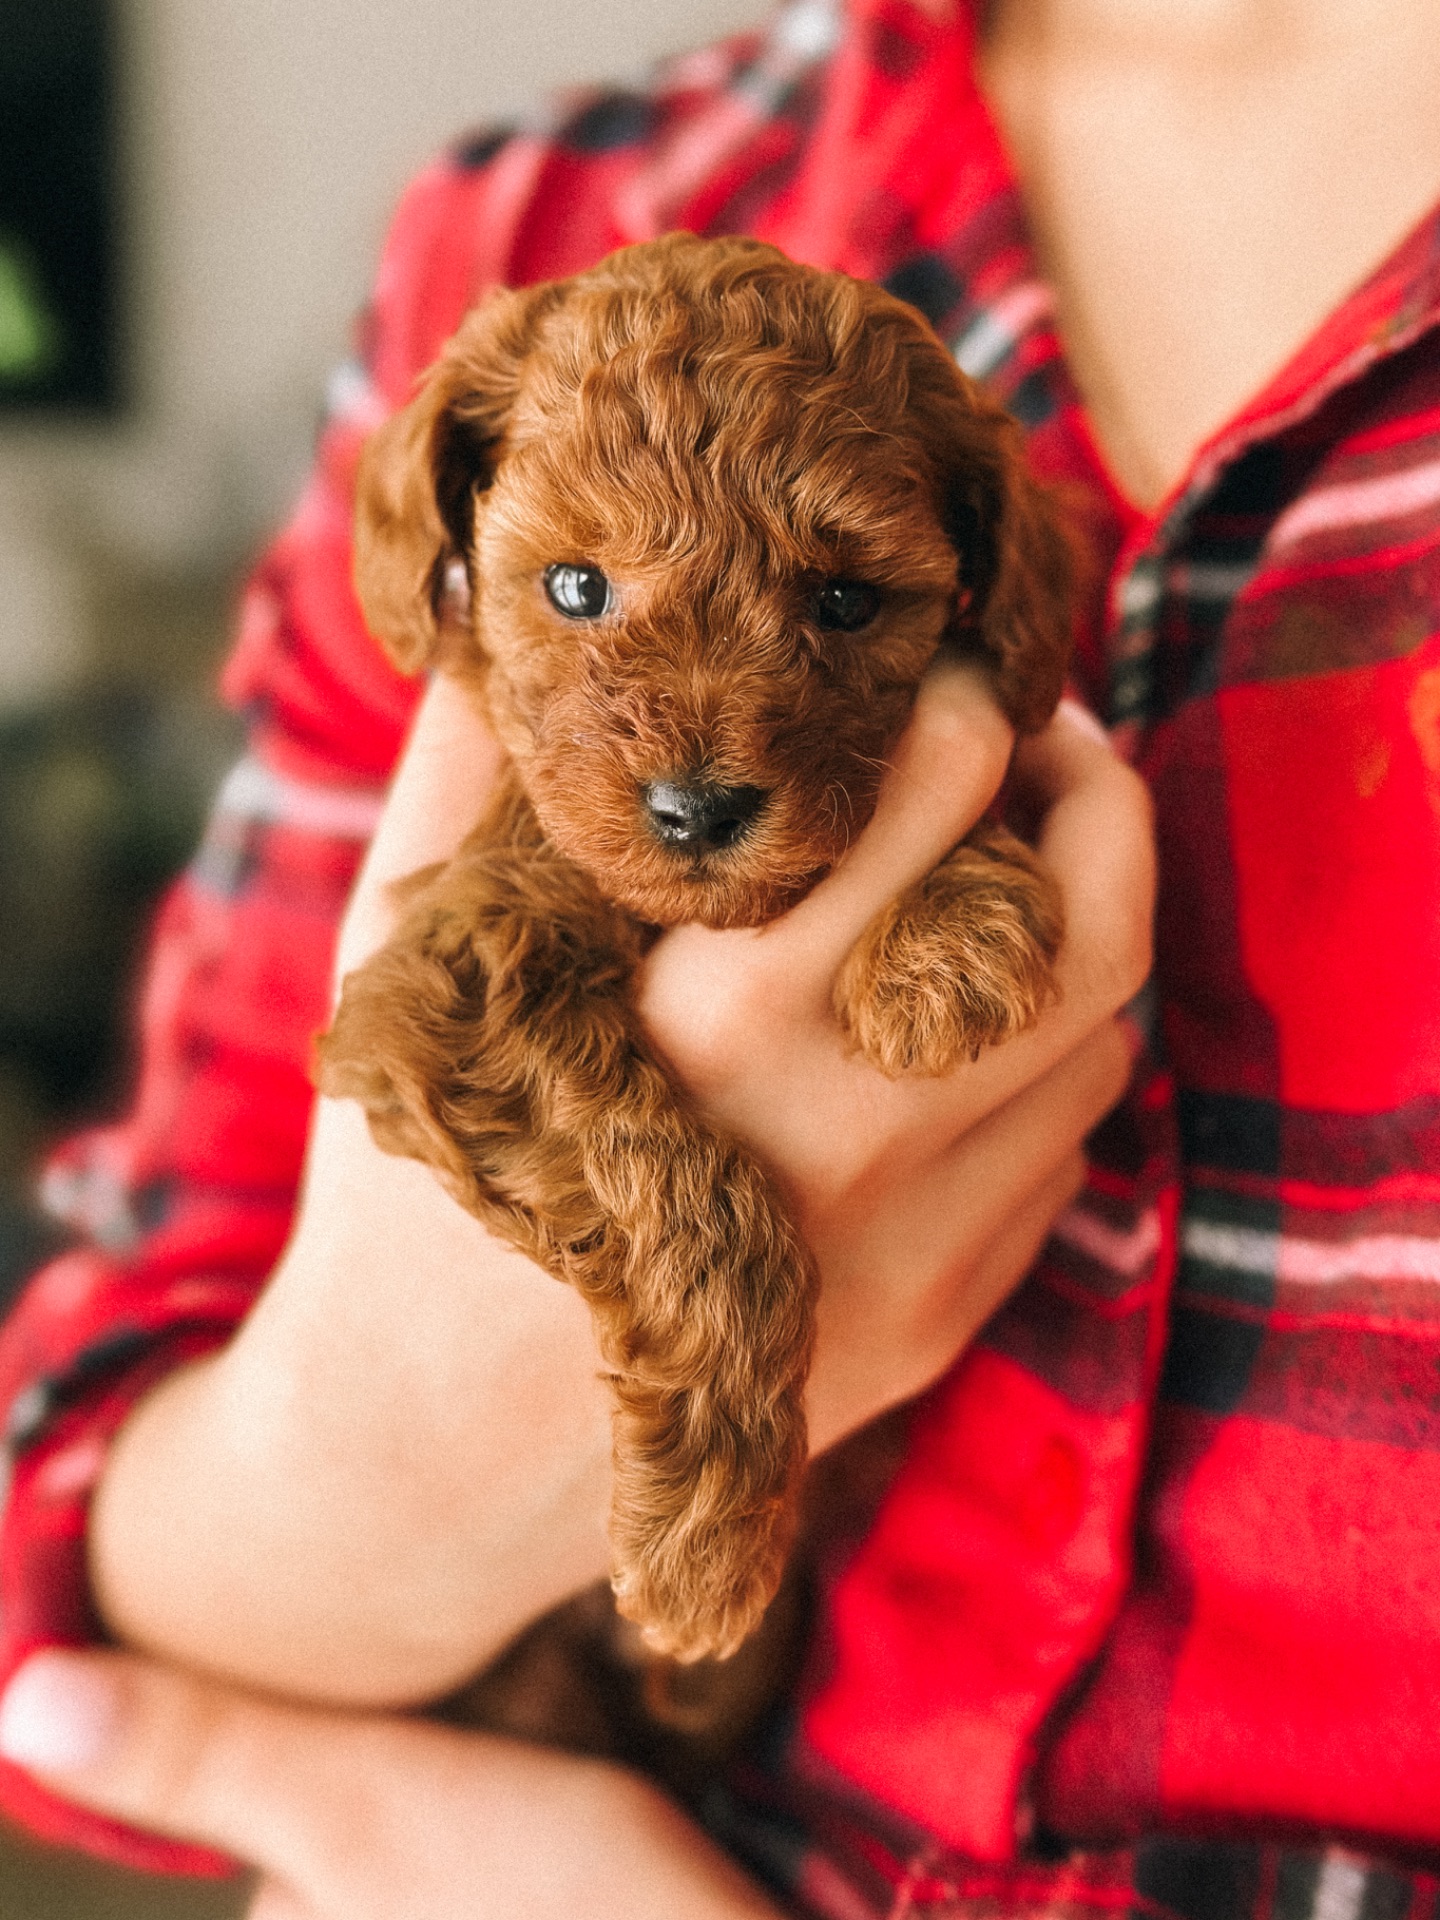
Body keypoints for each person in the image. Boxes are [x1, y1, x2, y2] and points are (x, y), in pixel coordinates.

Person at [0, 0, 1436, 1912]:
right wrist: (417, 1454)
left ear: (994, 584)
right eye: (578, 592)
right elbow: (90, 1443)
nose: (698, 748)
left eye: (840, 603)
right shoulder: (535, 226)